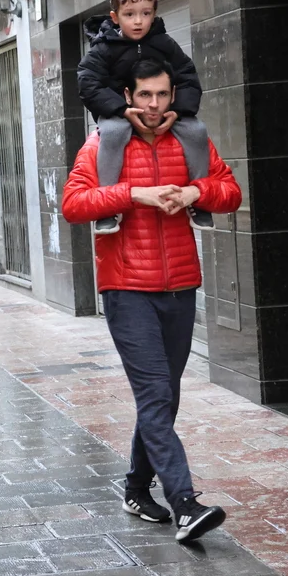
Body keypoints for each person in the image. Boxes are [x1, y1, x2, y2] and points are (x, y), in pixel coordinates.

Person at [62, 59, 241, 543]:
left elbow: (230, 192)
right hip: (126, 289)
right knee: (157, 395)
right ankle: (185, 504)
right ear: (128, 96)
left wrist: (193, 192)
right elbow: (74, 204)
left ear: (173, 95)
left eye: (162, 94)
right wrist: (135, 194)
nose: (155, 105)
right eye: (145, 95)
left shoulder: (191, 139)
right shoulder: (103, 144)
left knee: (164, 398)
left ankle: (137, 489)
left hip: (180, 286)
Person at [78, 0, 212, 235]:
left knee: (196, 131)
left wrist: (177, 111)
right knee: (113, 133)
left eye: (146, 13)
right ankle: (107, 207)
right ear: (115, 17)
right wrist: (120, 109)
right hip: (119, 112)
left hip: (163, 111)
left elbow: (187, 75)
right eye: (129, 14)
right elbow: (87, 82)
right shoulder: (104, 48)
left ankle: (199, 200)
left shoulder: (164, 43)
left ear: (154, 14)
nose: (138, 21)